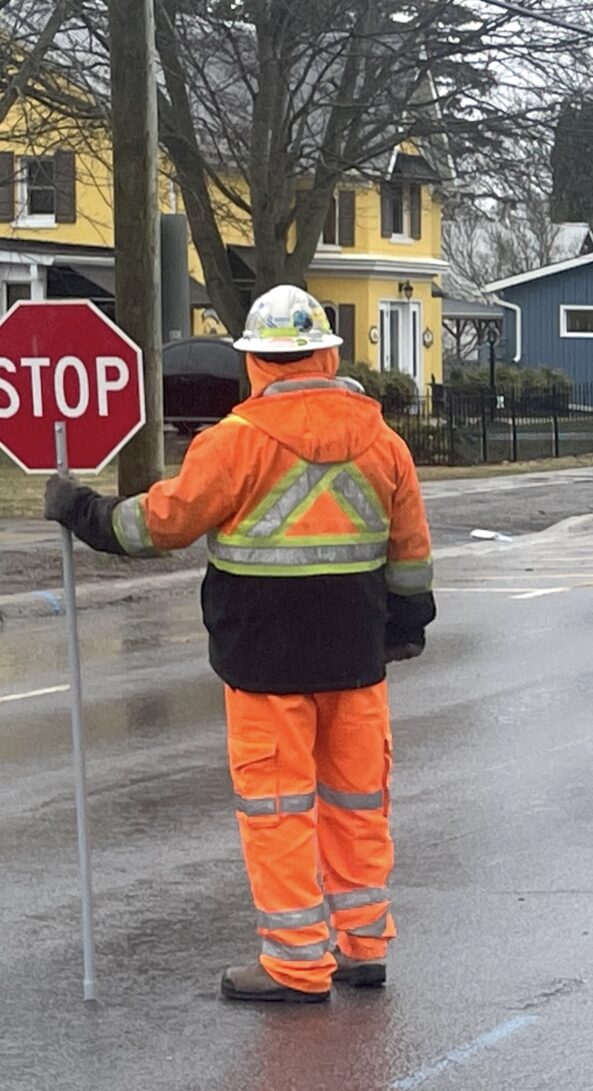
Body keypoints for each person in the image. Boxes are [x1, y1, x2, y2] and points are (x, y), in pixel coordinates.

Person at [44, 285, 435, 1002]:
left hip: (264, 657)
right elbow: (411, 553)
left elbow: (159, 524)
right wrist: (405, 625)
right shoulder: (383, 442)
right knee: (356, 800)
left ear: (255, 362)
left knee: (278, 808)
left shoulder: (234, 442)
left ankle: (294, 962)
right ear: (328, 354)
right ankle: (363, 944)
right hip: (356, 655)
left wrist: (84, 511)